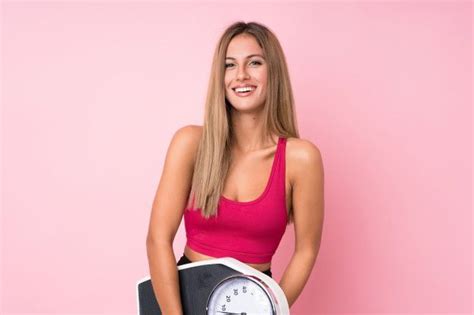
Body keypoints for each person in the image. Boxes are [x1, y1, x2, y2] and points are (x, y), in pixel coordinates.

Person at [146, 21, 324, 314]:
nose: (241, 75)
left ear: (273, 72)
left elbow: (306, 250)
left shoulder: (301, 158)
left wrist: (270, 309)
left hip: (254, 305)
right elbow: (157, 239)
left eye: (254, 63)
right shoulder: (190, 143)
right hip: (181, 300)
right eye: (230, 65)